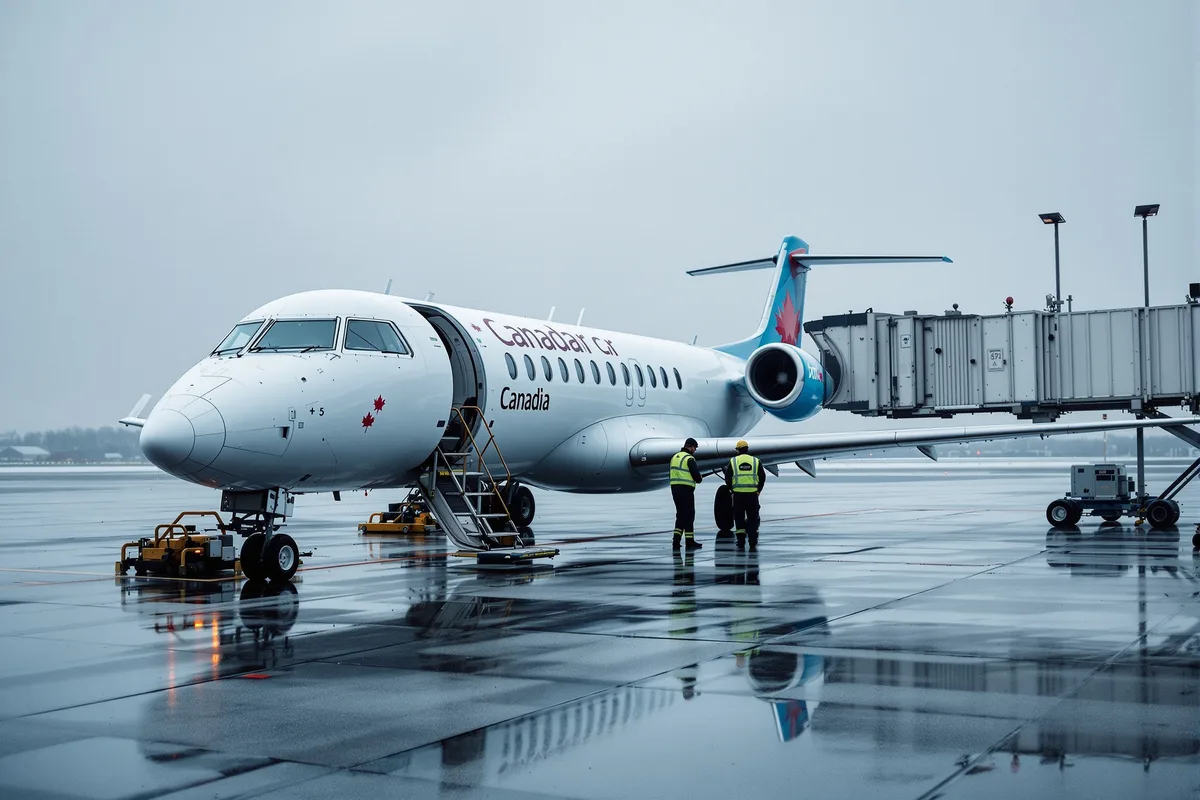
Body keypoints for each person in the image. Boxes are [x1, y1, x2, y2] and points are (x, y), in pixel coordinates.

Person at [724, 440, 765, 551]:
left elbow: (728, 477)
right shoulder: (756, 461)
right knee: (752, 519)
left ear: (738, 450)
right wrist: (758, 490)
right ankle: (752, 541)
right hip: (752, 495)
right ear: (747, 449)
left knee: (739, 519)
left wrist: (731, 490)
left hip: (738, 495)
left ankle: (741, 542)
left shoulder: (733, 461)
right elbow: (762, 477)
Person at [668, 438, 704, 550]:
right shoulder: (689, 458)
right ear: (691, 447)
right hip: (686, 490)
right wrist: (699, 478)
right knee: (689, 515)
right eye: (695, 448)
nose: (695, 450)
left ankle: (676, 541)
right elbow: (696, 476)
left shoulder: (675, 457)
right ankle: (689, 541)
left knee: (680, 515)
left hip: (675, 489)